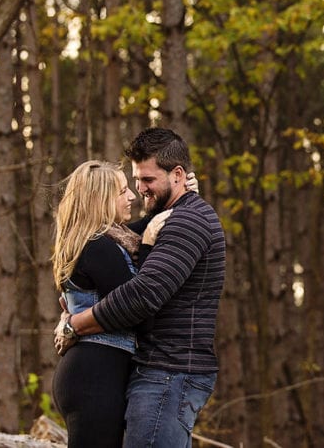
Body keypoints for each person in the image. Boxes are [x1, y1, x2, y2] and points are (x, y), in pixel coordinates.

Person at [57, 128, 226, 448]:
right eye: (133, 183)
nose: (138, 191)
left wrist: (75, 323)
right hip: (150, 373)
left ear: (177, 175)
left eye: (147, 180)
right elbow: (130, 272)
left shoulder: (185, 222)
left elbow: (141, 296)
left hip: (169, 374)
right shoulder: (158, 223)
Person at [50, 160, 170, 447]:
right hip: (95, 376)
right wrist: (149, 247)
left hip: (94, 373)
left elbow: (144, 225)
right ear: (100, 199)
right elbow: (137, 311)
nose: (132, 197)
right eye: (122, 191)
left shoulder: (105, 240)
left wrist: (179, 194)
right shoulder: (98, 247)